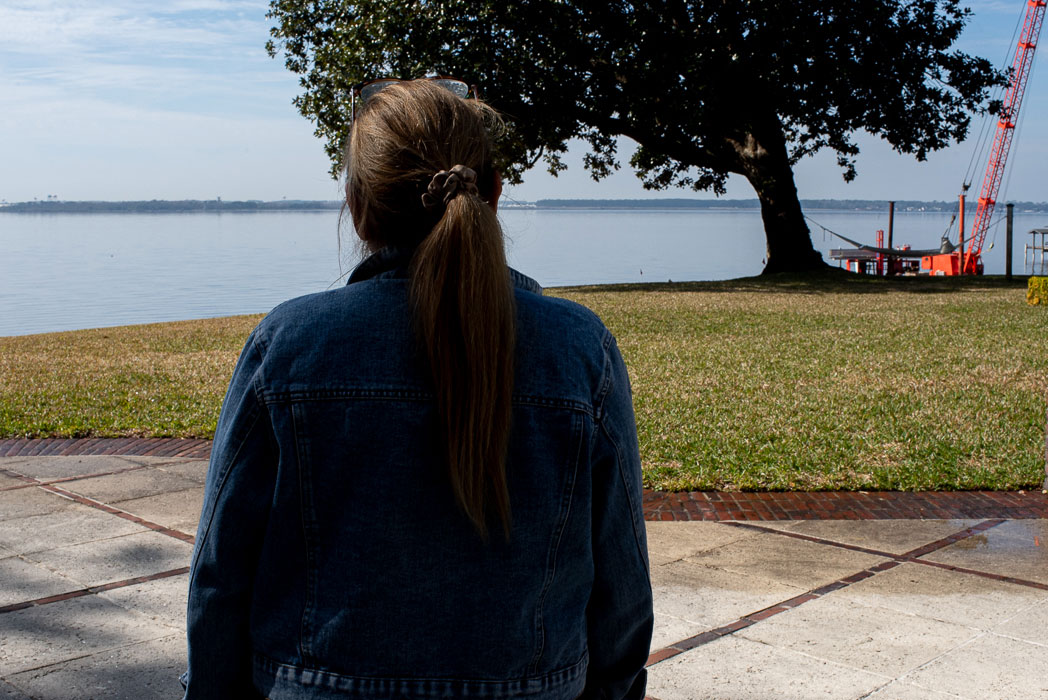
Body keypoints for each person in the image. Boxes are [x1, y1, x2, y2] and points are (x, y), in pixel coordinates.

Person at [182, 78, 653, 700]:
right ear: (494, 192)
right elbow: (622, 577)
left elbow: (221, 570)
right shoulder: (579, 349)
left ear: (357, 206)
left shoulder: (288, 344)